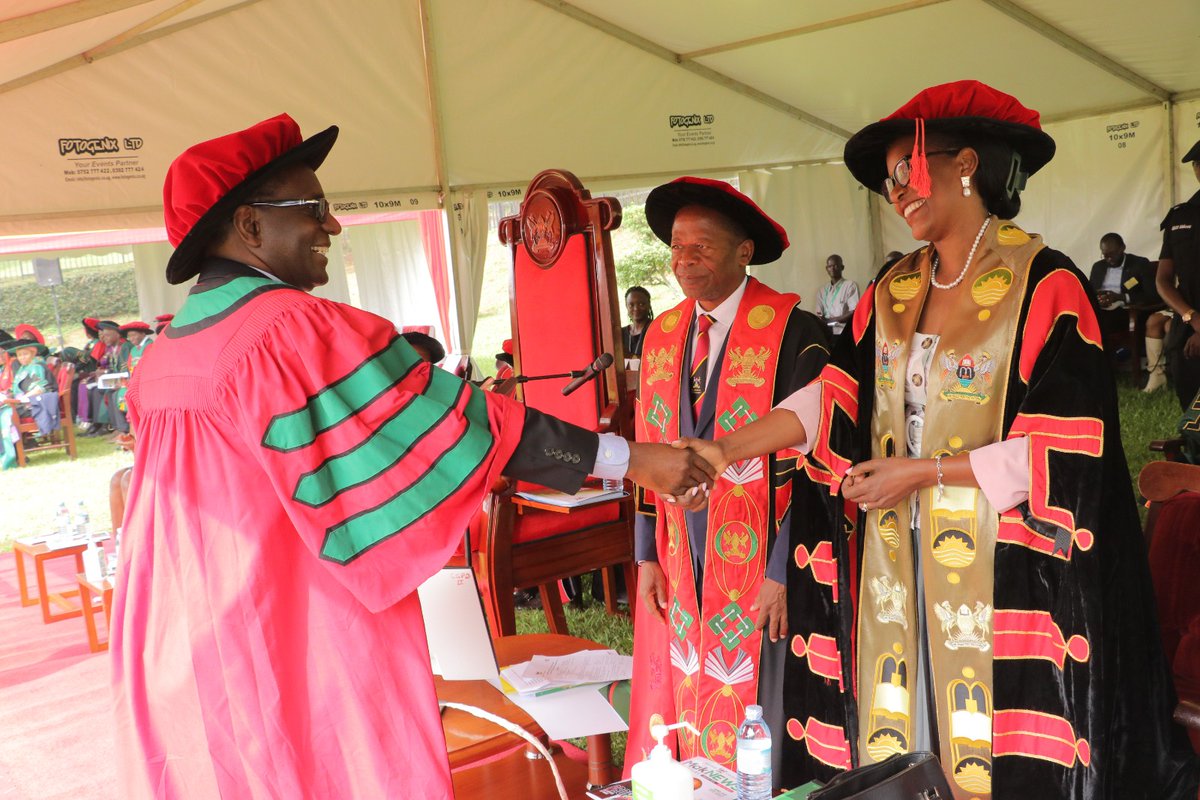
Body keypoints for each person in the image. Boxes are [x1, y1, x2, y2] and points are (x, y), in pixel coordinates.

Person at [110, 113, 713, 800]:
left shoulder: (158, 363)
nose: (332, 226)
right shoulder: (291, 333)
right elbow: (468, 423)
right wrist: (634, 459)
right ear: (250, 226)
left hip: (173, 649)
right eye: (315, 208)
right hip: (284, 638)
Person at [681, 81, 1197, 799]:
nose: (896, 192)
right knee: (905, 716)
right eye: (890, 179)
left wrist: (922, 474)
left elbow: (1063, 450)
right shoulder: (891, 289)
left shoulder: (1044, 283)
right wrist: (729, 448)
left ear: (964, 166)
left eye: (905, 170)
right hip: (896, 557)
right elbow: (833, 398)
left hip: (1002, 560)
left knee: (992, 743)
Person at [626, 177, 852, 790]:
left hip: (764, 558)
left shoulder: (795, 333)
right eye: (676, 247)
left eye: (700, 247)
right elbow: (647, 448)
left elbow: (816, 462)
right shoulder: (662, 335)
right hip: (683, 549)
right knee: (691, 684)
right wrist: (647, 554)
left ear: (744, 252)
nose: (683, 261)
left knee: (764, 704)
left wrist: (784, 568)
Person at [1088, 232, 1167, 391]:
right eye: (1105, 255)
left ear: (1122, 248)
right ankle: (1090, 372)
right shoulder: (1098, 267)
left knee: (1099, 325)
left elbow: (1151, 295)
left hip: (1125, 311)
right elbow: (1090, 291)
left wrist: (1121, 297)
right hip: (1101, 310)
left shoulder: (1139, 264)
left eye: (1112, 254)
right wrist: (1099, 299)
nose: (1108, 259)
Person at [1157, 139, 1200, 408]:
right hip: (1187, 328)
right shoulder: (1179, 215)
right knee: (1191, 414)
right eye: (1198, 164)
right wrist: (1193, 318)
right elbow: (1163, 280)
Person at [815, 254, 861, 338]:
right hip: (826, 332)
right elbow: (819, 314)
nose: (832, 268)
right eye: (830, 266)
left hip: (843, 332)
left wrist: (831, 320)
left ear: (842, 267)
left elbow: (853, 311)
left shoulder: (850, 285)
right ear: (826, 269)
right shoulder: (821, 290)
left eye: (835, 266)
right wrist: (823, 321)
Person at [622, 285, 653, 361]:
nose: (636, 308)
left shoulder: (656, 329)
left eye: (641, 304)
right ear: (626, 306)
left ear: (649, 305)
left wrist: (631, 357)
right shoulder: (620, 333)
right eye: (631, 305)